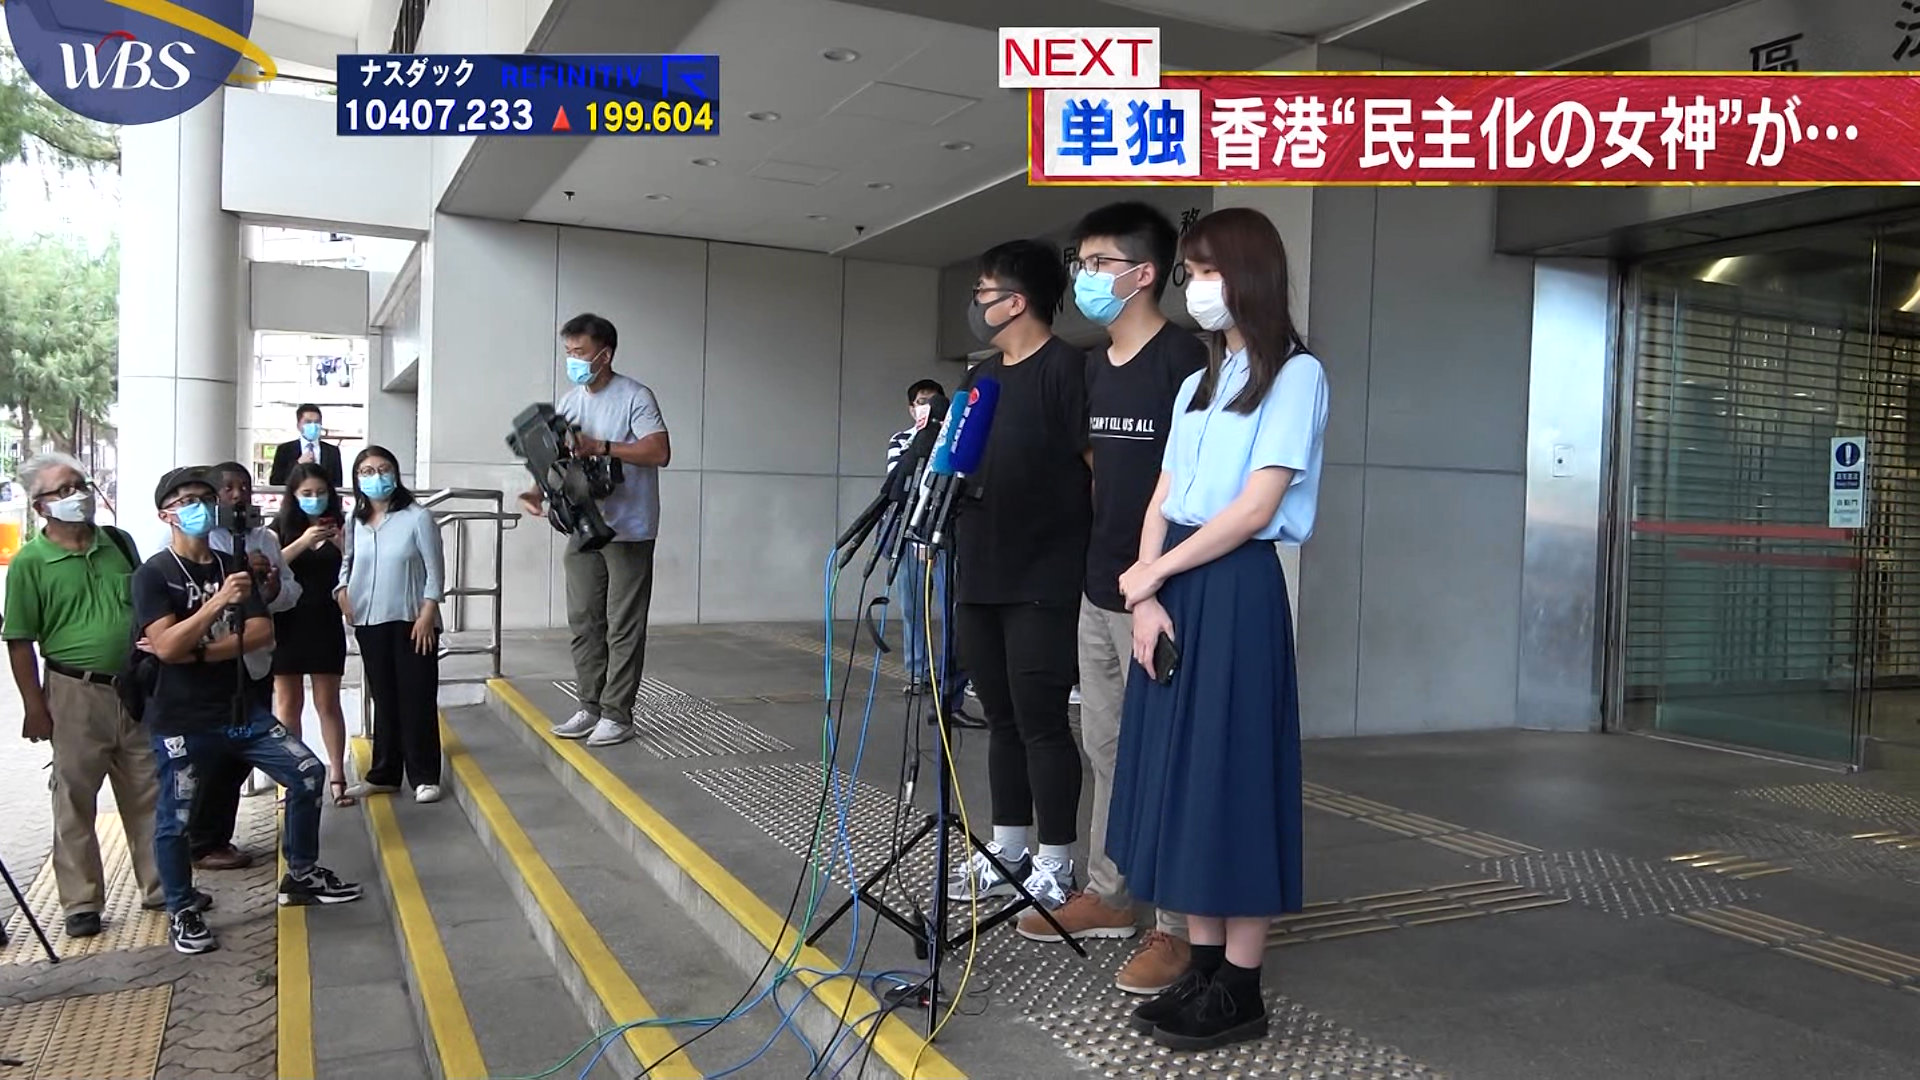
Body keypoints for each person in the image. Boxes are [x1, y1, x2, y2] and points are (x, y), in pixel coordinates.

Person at [1106, 207, 1329, 1052]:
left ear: (1249, 274)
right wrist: (1146, 592)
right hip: (1177, 586)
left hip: (1234, 587)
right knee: (1182, 776)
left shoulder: (1295, 375)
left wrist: (1155, 574)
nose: (1196, 288)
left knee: (1231, 775)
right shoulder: (1197, 383)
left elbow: (1256, 507)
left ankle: (1240, 985)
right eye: (1192, 273)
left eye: (1207, 272)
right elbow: (1163, 495)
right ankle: (1202, 969)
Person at [1016, 203, 1208, 994]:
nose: (1084, 277)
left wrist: (1154, 573)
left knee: (1169, 759)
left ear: (1144, 273)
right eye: (1081, 263)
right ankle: (1112, 894)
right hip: (1099, 589)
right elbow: (1095, 469)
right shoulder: (1092, 367)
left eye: (1099, 263)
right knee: (1107, 749)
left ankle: (1178, 927)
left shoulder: (1187, 360)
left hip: (1165, 593)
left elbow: (1196, 483)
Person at [134, 467, 361, 955]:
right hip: (181, 719)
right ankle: (182, 908)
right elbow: (165, 646)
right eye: (186, 500)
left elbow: (261, 633)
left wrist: (197, 651)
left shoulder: (232, 563)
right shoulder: (155, 573)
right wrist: (217, 605)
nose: (200, 506)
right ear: (165, 514)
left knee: (306, 772)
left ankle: (301, 872)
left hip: (240, 709)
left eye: (205, 497)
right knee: (176, 817)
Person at [943, 239, 1089, 910]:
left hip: (1042, 579)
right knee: (998, 717)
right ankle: (1008, 850)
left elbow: (1098, 473)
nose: (976, 304)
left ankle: (1056, 862)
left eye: (983, 292)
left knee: (1041, 721)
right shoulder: (980, 379)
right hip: (979, 572)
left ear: (1016, 301)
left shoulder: (1068, 370)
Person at [2, 454, 168, 938]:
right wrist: (34, 707)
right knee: (74, 799)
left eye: (81, 484)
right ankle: (81, 903)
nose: (78, 495)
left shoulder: (118, 542)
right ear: (41, 506)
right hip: (73, 692)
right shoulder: (30, 563)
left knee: (150, 790)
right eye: (64, 489)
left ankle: (161, 887)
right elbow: (19, 641)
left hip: (133, 687)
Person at [522, 313, 671, 749]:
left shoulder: (635, 396)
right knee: (584, 620)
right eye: (568, 352)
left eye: (581, 352)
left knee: (623, 625)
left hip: (629, 530)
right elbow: (553, 456)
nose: (573, 360)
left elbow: (659, 451)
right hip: (583, 524)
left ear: (604, 355)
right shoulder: (569, 402)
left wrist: (601, 447)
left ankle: (617, 714)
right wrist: (536, 489)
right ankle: (589, 705)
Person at [187, 462, 300, 872]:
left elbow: (289, 593)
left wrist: (270, 584)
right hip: (212, 664)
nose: (237, 495)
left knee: (240, 755)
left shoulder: (265, 538)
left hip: (254, 663)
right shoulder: (200, 540)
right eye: (228, 488)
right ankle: (200, 840)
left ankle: (218, 837)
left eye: (244, 487)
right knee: (211, 758)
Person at [337, 447, 446, 803]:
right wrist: (341, 589)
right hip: (369, 620)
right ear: (357, 479)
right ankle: (384, 773)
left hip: (412, 620)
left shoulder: (417, 517)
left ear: (396, 474)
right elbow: (348, 561)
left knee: (417, 697)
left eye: (383, 469)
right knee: (384, 699)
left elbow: (435, 570)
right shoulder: (355, 520)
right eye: (367, 471)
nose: (376, 477)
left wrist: (427, 612)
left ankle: (424, 776)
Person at [272, 464, 352, 807]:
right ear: (293, 495)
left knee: (328, 703)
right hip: (287, 624)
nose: (314, 499)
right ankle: (293, 781)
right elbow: (272, 566)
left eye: (320, 492)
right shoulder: (278, 529)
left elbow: (358, 565)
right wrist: (303, 542)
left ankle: (337, 776)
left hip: (325, 621)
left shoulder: (343, 526)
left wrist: (340, 543)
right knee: (288, 705)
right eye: (307, 493)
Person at [270, 404, 345, 488]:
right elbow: (275, 482)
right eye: (308, 422)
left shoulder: (332, 451)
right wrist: (298, 464)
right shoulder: (285, 450)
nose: (313, 426)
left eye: (317, 422)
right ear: (298, 425)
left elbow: (337, 484)